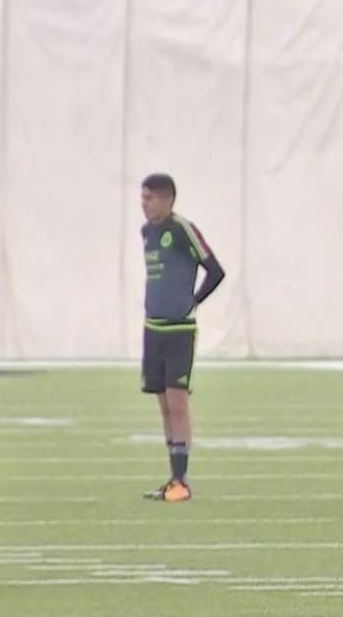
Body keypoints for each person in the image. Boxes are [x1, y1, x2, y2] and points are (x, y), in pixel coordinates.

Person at [139, 173, 226, 502]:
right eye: (142, 198)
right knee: (163, 404)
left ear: (168, 200)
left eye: (149, 198)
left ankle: (181, 479)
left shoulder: (181, 229)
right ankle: (172, 476)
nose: (144, 205)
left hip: (178, 329)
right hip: (153, 327)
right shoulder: (148, 232)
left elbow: (215, 270)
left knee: (177, 402)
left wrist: (194, 301)